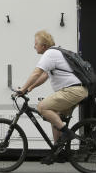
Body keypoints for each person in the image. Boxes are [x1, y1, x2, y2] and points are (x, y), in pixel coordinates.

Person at [15, 30, 89, 164]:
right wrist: (30, 89)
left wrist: (23, 89)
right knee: (55, 117)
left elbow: (36, 73)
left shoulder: (50, 53)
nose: (34, 46)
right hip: (76, 90)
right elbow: (44, 76)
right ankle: (58, 152)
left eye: (36, 43)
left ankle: (67, 133)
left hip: (72, 91)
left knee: (42, 107)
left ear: (43, 45)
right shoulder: (54, 53)